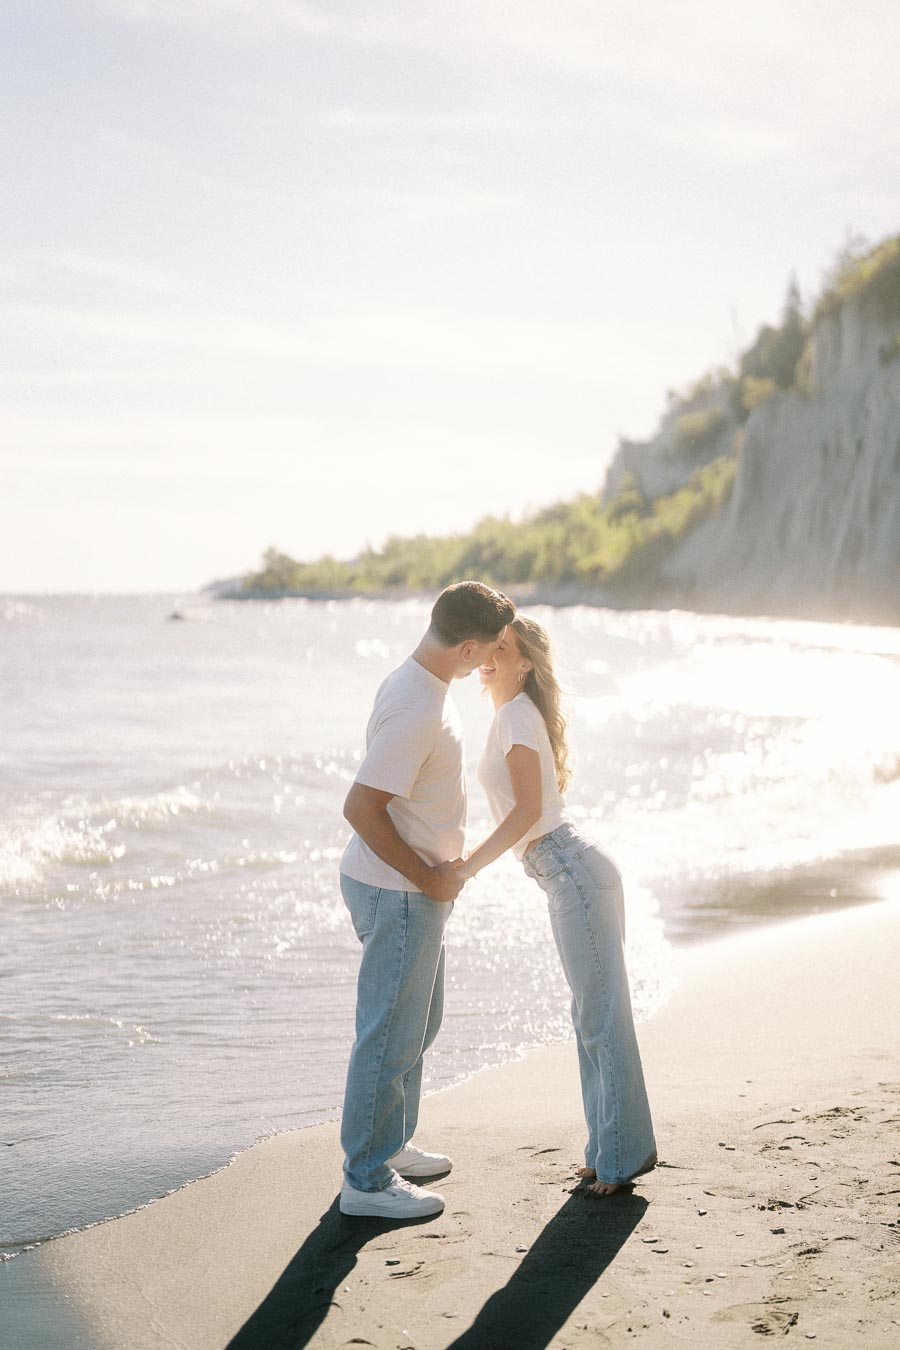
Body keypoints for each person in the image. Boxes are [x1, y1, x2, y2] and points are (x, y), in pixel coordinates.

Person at [454, 615, 656, 1196]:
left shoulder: (516, 714)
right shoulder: (508, 715)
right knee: (588, 1015)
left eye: (503, 646)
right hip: (565, 870)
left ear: (526, 663)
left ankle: (621, 1157)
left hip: (570, 869)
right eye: (488, 644)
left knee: (600, 1016)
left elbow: (525, 812)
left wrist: (468, 865)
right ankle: (606, 1150)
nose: (489, 654)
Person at [339, 581, 516, 1219]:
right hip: (400, 892)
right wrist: (429, 877)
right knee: (388, 1033)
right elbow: (361, 807)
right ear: (467, 646)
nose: (491, 662)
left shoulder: (421, 683)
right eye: (490, 650)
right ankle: (364, 1179)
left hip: (410, 889)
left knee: (419, 1021)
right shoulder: (417, 704)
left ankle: (390, 1146)